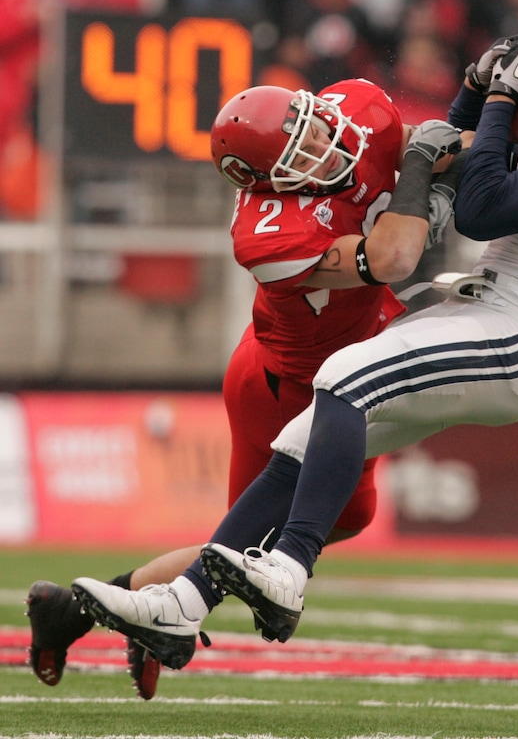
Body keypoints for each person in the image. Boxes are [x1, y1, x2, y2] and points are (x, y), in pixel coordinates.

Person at [71, 0, 518, 672]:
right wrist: (475, 99)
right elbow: (450, 152)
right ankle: (182, 602)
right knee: (299, 440)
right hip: (493, 304)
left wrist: (501, 101)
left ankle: (289, 570)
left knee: (343, 376)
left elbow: (479, 208)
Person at [26, 79, 464, 696]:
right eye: (297, 147)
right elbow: (392, 256)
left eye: (310, 123)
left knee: (338, 520)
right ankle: (89, 612)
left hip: (341, 367)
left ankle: (123, 608)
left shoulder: (356, 107)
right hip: (286, 387)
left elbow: (427, 144)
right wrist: (421, 174)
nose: (321, 139)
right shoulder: (268, 236)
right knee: (248, 546)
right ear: (265, 182)